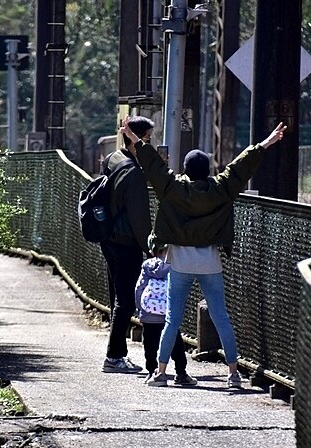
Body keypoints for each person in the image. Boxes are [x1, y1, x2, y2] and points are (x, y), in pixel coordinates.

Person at [120, 117, 286, 388]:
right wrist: (267, 142)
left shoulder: (173, 188)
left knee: (172, 320)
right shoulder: (221, 189)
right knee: (221, 317)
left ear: (185, 169)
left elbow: (153, 164)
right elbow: (241, 167)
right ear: (207, 169)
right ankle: (233, 374)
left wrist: (132, 136)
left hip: (180, 263)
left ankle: (161, 373)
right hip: (211, 263)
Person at [99, 116, 155, 373]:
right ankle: (113, 356)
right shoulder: (134, 174)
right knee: (126, 300)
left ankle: (118, 353)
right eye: (146, 139)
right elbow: (140, 218)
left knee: (116, 297)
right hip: (126, 242)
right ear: (135, 140)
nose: (150, 145)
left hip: (108, 237)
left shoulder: (113, 159)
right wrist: (152, 246)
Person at [135, 235, 197, 386]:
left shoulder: (147, 266)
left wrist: (140, 310)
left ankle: (151, 371)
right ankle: (181, 373)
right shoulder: (175, 266)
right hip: (168, 315)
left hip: (149, 315)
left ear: (151, 249)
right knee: (176, 345)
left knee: (150, 344)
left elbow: (139, 288)